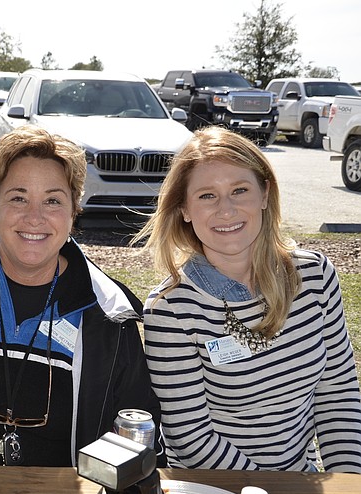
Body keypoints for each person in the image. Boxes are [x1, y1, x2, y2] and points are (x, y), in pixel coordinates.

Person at [0, 125, 163, 467]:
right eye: (18, 197)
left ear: (74, 211)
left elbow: (136, 440)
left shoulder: (108, 315)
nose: (34, 217)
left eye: (52, 200)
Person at [136, 126, 361, 472]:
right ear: (184, 209)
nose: (226, 210)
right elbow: (191, 438)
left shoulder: (315, 276)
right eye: (207, 196)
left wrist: (347, 485)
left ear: (265, 194)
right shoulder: (170, 309)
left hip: (301, 486)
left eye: (239, 190)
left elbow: (338, 393)